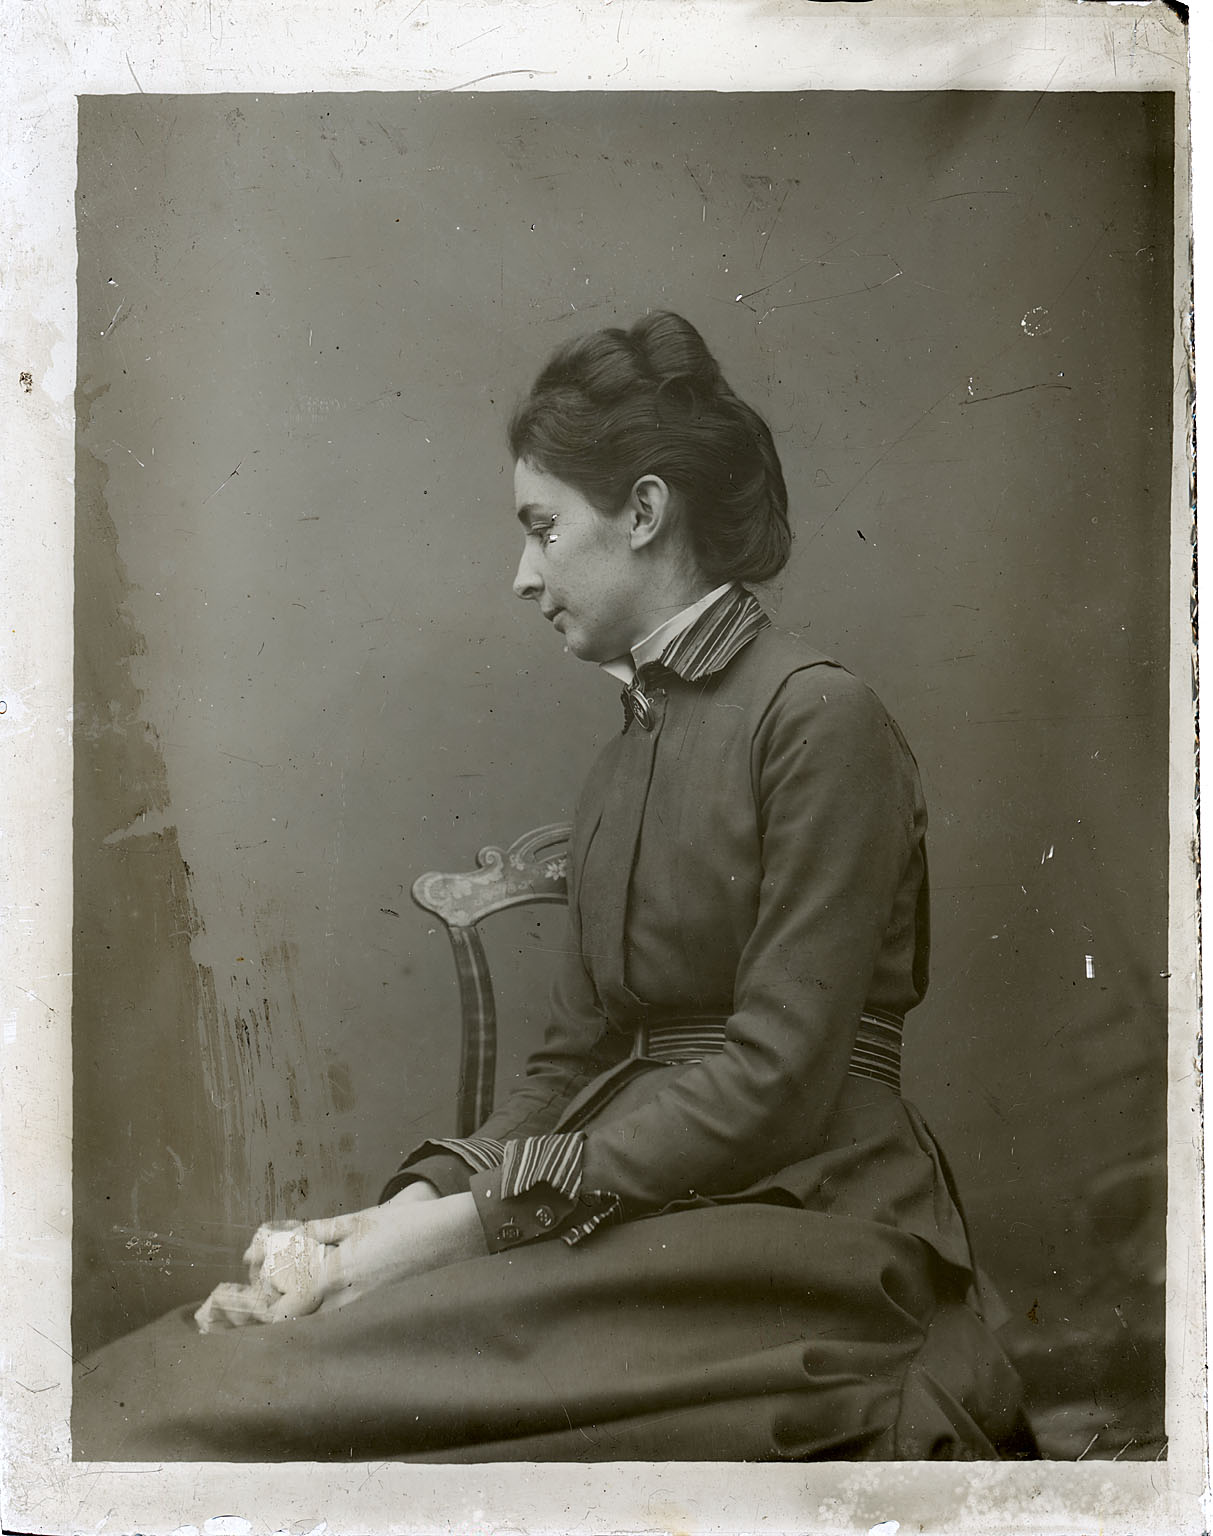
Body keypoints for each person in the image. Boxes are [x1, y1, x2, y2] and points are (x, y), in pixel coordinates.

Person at [73, 311, 1035, 1461]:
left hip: (802, 1222)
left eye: (542, 529)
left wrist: (449, 1239)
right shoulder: (625, 753)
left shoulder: (819, 720)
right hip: (637, 1197)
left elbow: (775, 1080)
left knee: (332, 1394)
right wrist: (377, 1229)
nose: (521, 577)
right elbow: (572, 1061)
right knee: (242, 1360)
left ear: (642, 511)